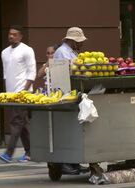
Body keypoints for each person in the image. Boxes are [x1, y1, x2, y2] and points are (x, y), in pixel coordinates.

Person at [53, 27, 89, 175]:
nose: (81, 45)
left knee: (74, 130)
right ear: (72, 41)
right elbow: (64, 73)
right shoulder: (62, 52)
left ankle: (74, 162)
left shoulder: (73, 52)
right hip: (64, 94)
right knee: (65, 130)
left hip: (73, 94)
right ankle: (64, 163)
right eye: (79, 42)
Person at [0, 25, 36, 163]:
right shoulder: (4, 52)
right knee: (21, 122)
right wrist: (6, 93)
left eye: (14, 34)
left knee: (16, 121)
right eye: (10, 34)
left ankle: (9, 153)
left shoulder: (27, 50)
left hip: (23, 93)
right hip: (10, 94)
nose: (11, 36)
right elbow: (5, 74)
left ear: (20, 36)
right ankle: (31, 151)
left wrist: (25, 90)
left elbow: (31, 72)